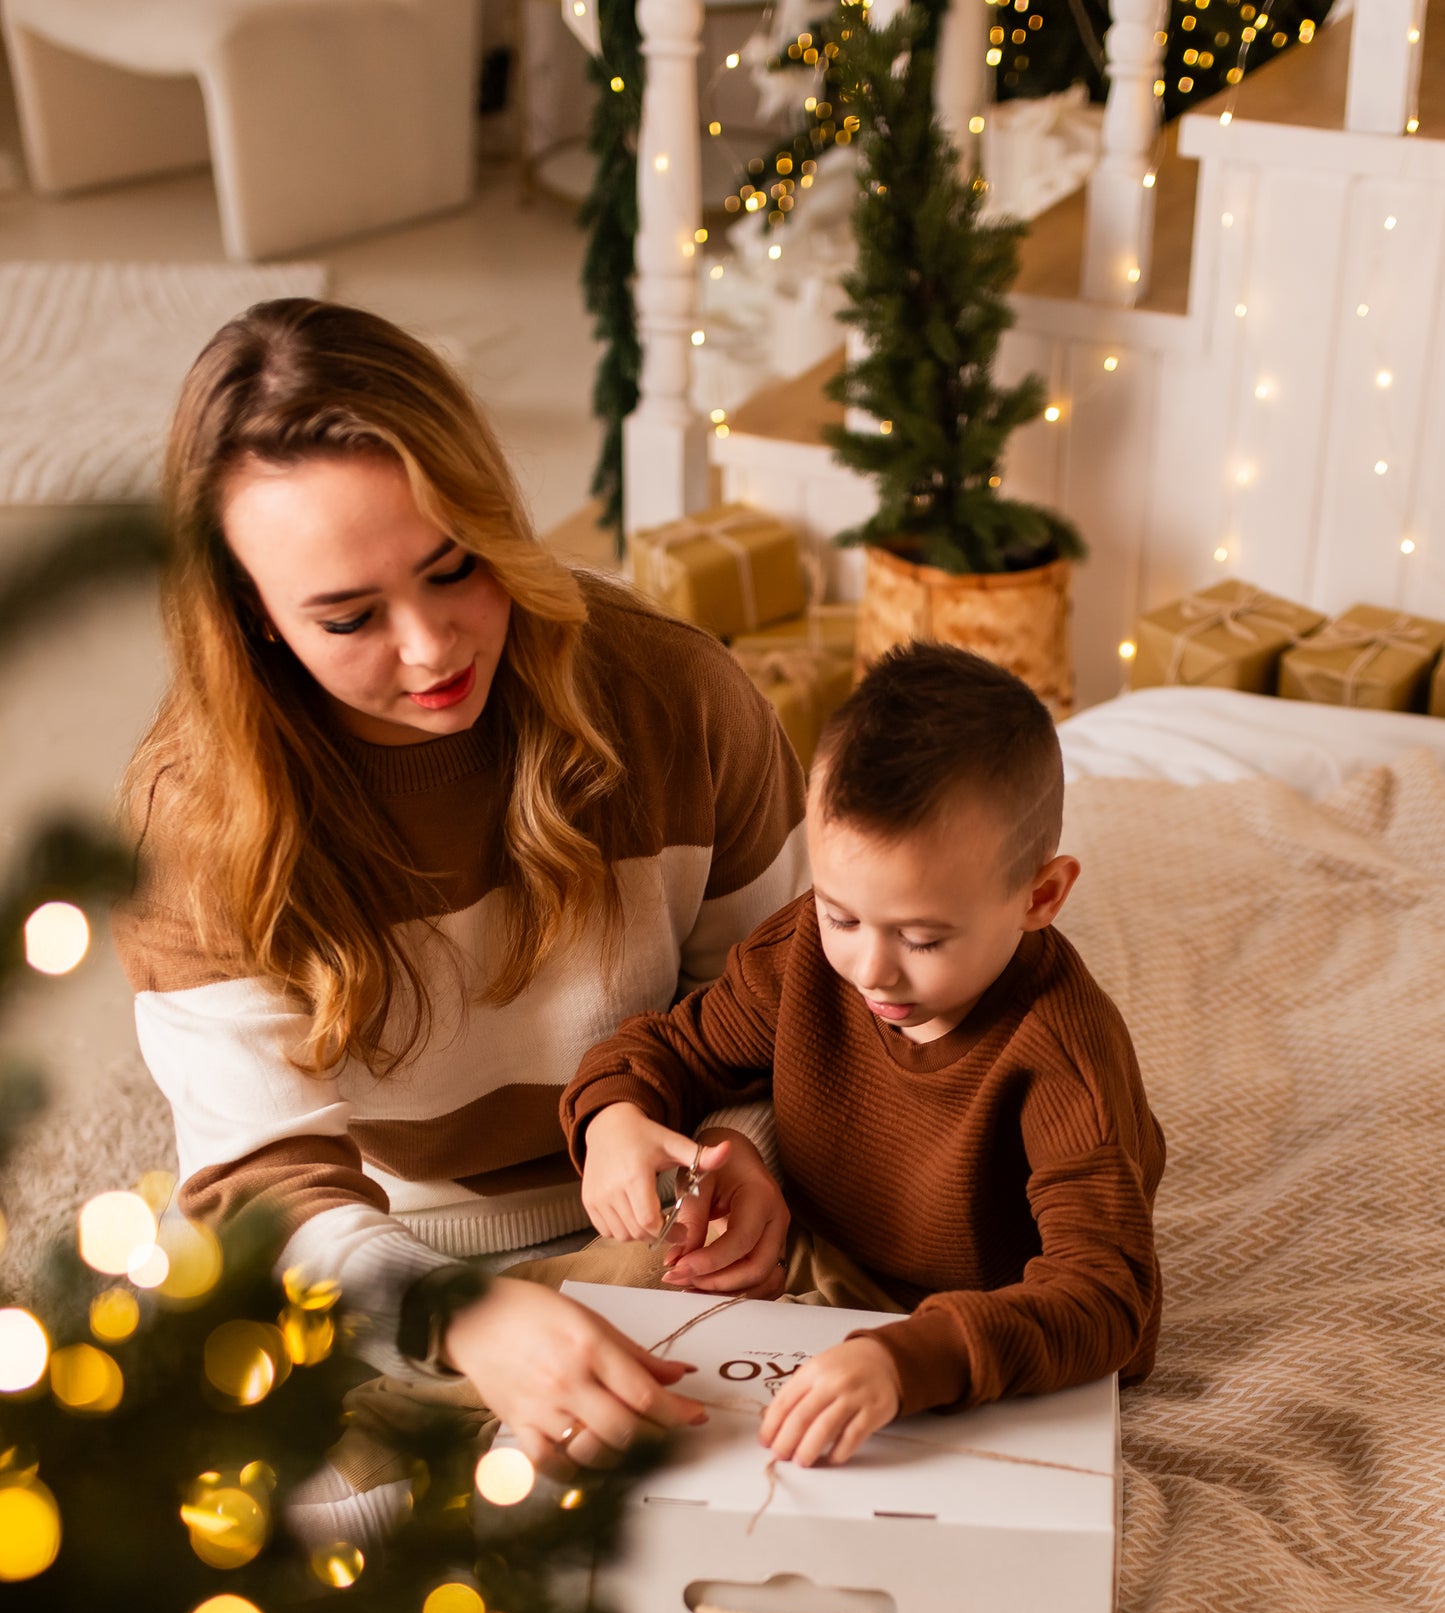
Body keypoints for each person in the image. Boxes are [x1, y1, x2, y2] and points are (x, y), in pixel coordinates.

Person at [112, 298, 808, 1513]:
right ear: (251, 618)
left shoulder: (676, 693)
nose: (432, 649)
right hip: (377, 1247)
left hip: (652, 1205)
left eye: (456, 568)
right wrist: (461, 1315)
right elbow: (266, 1185)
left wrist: (741, 1150)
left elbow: (788, 999)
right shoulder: (194, 816)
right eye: (348, 617)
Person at [562, 642, 1166, 1469]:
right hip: (807, 1262)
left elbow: (1106, 1299)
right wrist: (614, 1119)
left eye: (922, 938)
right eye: (843, 917)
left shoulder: (1060, 1054)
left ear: (1040, 895)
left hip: (972, 1330)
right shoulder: (803, 952)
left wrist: (903, 1360)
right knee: (591, 1310)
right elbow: (669, 1045)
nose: (870, 970)